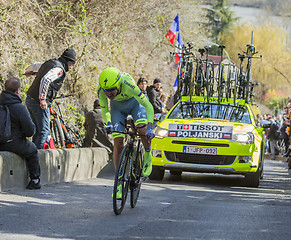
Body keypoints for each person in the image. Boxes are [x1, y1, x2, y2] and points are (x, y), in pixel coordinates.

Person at [97, 67, 155, 198]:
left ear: (118, 84)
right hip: (117, 109)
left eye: (111, 90)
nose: (108, 94)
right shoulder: (101, 90)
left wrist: (150, 127)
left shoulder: (129, 85)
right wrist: (109, 123)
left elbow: (148, 106)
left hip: (135, 105)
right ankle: (118, 182)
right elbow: (105, 108)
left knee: (141, 129)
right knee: (118, 142)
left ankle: (147, 154)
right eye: (106, 91)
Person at [25, 48, 76, 149]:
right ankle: (36, 156)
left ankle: (32, 154)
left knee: (38, 131)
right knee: (44, 131)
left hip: (30, 99)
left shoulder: (51, 63)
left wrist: (29, 71)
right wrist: (42, 99)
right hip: (38, 103)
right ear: (69, 62)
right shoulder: (59, 69)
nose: (71, 68)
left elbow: (37, 66)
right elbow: (46, 79)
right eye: (72, 65)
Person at [0, 78, 41, 189]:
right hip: (13, 142)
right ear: (18, 91)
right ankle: (35, 180)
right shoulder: (19, 107)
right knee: (32, 149)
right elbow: (30, 131)